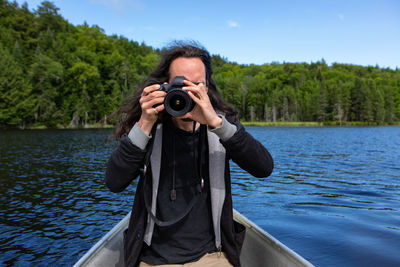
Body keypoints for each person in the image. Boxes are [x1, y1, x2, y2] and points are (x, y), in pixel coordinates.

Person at [105, 41, 274, 267]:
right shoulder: (150, 129)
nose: (187, 94)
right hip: (153, 259)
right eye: (180, 85)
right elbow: (114, 182)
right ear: (164, 86)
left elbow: (264, 168)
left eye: (196, 85)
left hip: (211, 256)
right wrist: (144, 122)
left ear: (207, 88)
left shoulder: (221, 127)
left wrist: (216, 122)